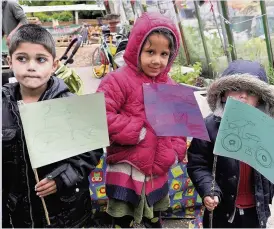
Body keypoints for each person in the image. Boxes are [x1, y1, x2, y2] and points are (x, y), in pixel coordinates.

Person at [2, 24, 103, 228]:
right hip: (17, 214)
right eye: (22, 58)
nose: (31, 66)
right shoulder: (3, 106)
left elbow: (92, 151)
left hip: (67, 213)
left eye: (40, 59)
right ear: (9, 61)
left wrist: (62, 177)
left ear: (54, 64)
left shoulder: (72, 104)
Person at [97, 12, 187, 228]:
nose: (157, 60)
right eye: (150, 52)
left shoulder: (171, 87)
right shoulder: (117, 81)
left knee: (154, 217)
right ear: (136, 49)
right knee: (122, 216)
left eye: (164, 54)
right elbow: (101, 116)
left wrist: (175, 152)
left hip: (158, 167)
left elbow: (179, 126)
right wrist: (138, 131)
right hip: (126, 167)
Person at [187, 60, 274, 228]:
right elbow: (198, 164)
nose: (243, 95)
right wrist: (209, 190)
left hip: (257, 209)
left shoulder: (266, 130)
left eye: (251, 92)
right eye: (235, 89)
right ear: (223, 94)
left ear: (260, 99)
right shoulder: (209, 127)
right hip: (221, 207)